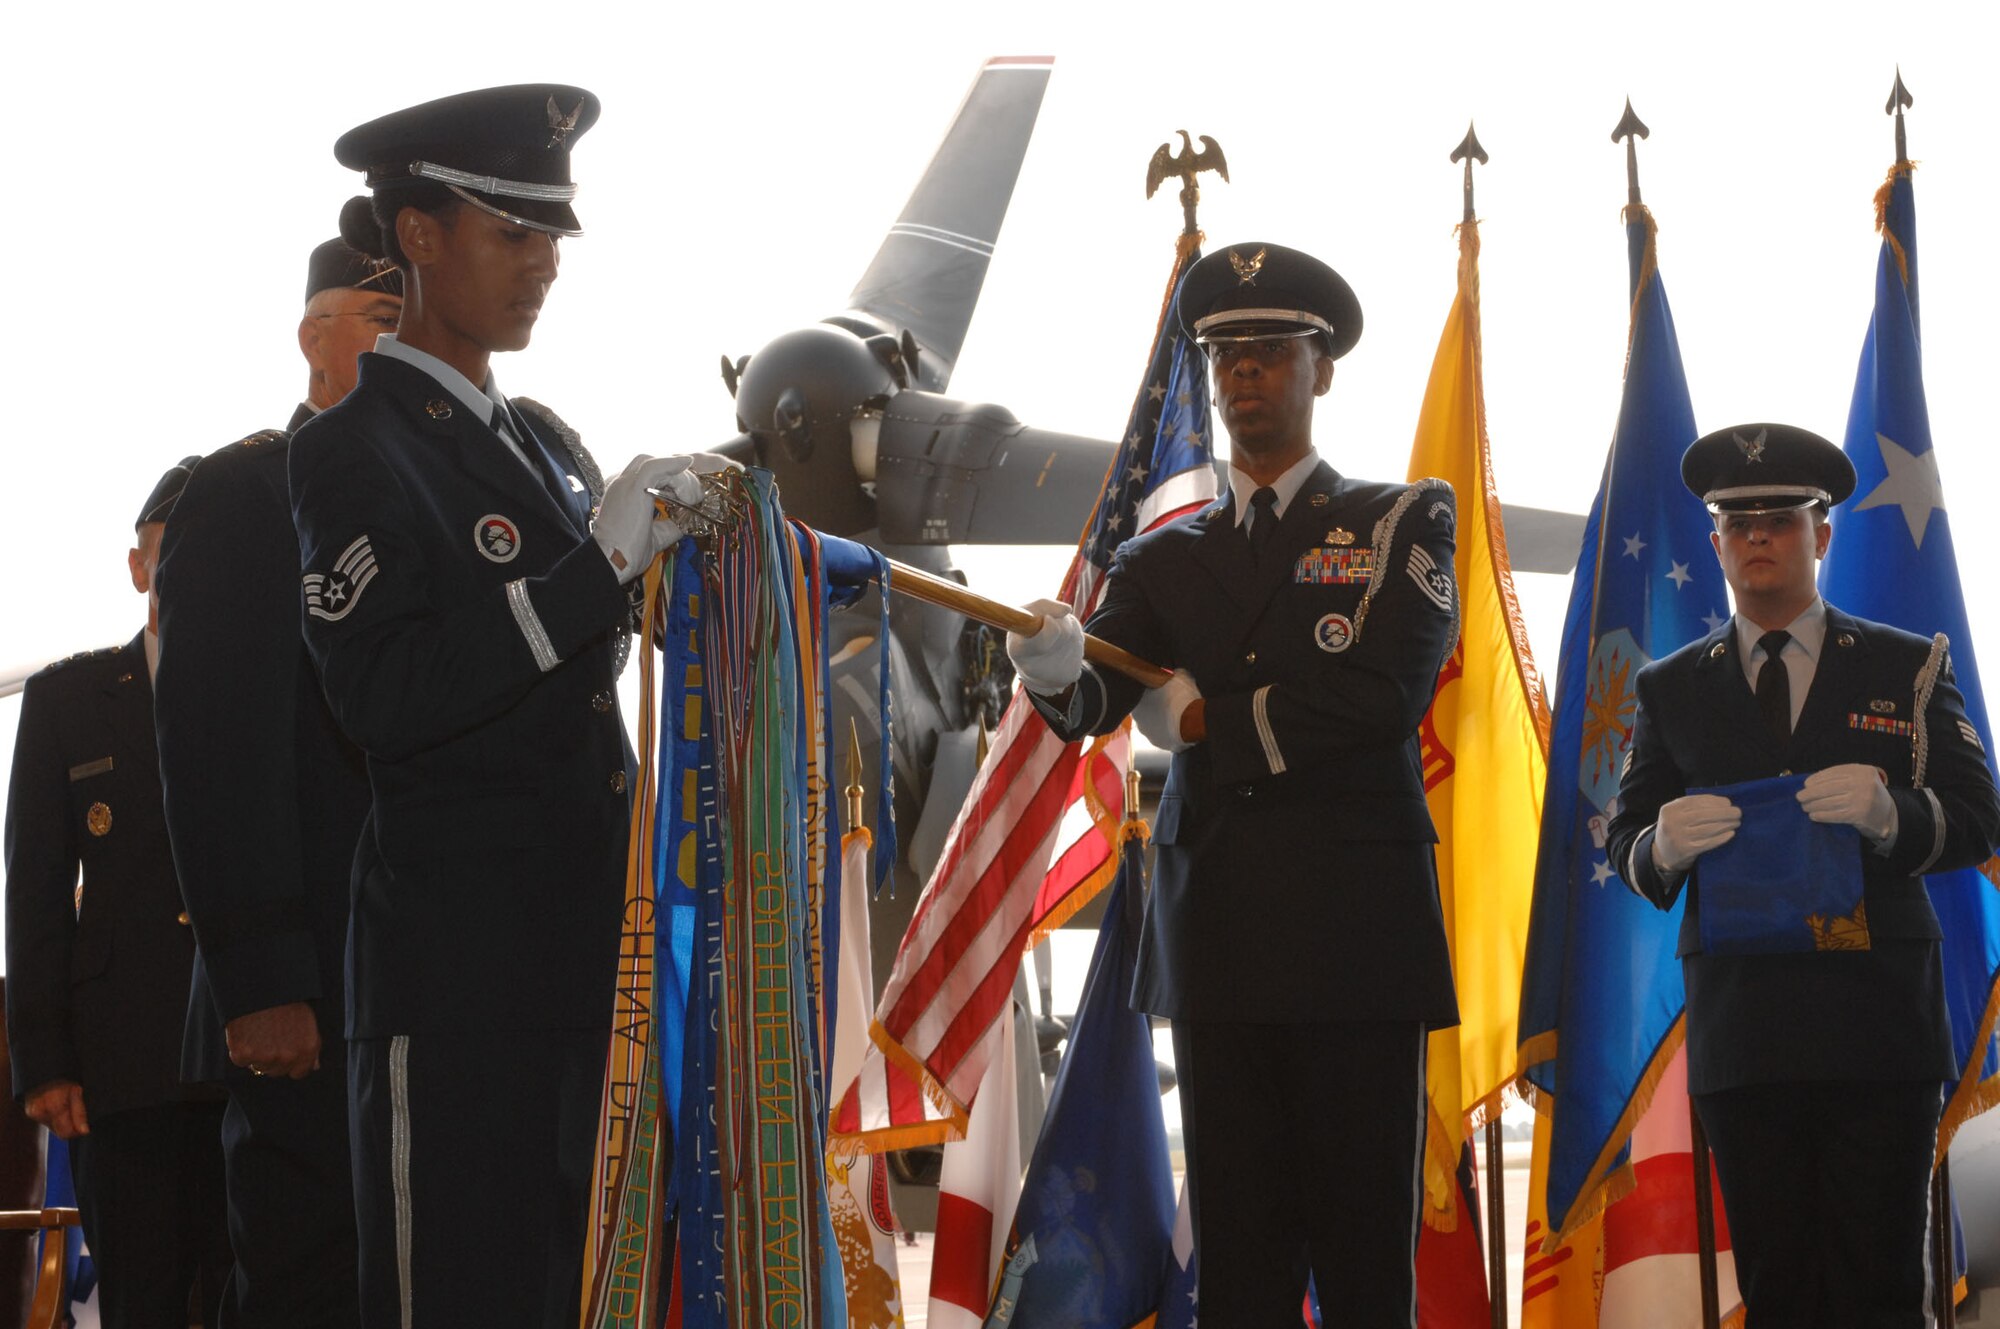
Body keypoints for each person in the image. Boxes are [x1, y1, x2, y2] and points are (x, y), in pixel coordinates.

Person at [289, 84, 700, 1327]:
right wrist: (592, 572)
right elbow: (385, 695)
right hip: (455, 976)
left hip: (582, 958)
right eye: (512, 234)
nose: (543, 267)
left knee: (575, 1296)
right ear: (418, 235)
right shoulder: (350, 446)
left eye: (552, 239)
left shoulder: (541, 442)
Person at [1005, 242, 1459, 1325]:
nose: (1242, 376)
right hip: (1222, 935)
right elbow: (1098, 701)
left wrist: (1211, 719)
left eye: (1267, 352)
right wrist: (1050, 672)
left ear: (1322, 370)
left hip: (1355, 938)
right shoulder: (1163, 556)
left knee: (1360, 1261)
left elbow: (1380, 699)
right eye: (1224, 359)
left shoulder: (1401, 522)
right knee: (1240, 1262)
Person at [1606, 423, 2000, 1327]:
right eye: (1736, 521)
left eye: (1779, 518)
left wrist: (1893, 812)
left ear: (1821, 534)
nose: (1756, 537)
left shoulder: (1908, 664)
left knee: (1882, 1284)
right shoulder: (1671, 688)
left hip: (1878, 1024)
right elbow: (1629, 840)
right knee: (1780, 1289)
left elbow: (1980, 818)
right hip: (1749, 1031)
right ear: (1714, 543)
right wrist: (1660, 845)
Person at [153, 238, 402, 1327]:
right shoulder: (250, 493)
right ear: (316, 337)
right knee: (311, 1279)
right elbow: (217, 747)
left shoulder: (447, 494)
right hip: (308, 994)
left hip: (434, 985)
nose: (410, 348)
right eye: (382, 324)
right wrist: (258, 979)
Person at [4, 459, 232, 1327]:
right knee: (141, 1293)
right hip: (120, 1060)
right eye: (166, 555)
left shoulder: (275, 687)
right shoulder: (69, 698)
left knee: (261, 1289)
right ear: (137, 567)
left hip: (256, 1045)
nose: (182, 574)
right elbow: (33, 887)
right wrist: (46, 1059)